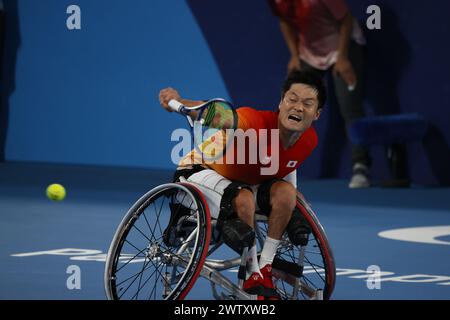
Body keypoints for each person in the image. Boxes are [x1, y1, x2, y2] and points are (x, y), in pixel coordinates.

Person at [159, 70, 325, 299]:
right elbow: (211, 113)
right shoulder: (251, 121)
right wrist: (177, 103)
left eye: (307, 103)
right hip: (200, 171)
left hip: (243, 183)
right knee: (244, 197)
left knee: (287, 194)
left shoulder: (309, 140)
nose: (298, 107)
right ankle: (251, 272)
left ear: (316, 114)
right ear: (281, 103)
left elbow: (287, 167)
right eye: (292, 99)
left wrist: (290, 204)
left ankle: (264, 267)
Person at [269, 0, 371, 188]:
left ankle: (361, 166)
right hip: (310, 54)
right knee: (290, 105)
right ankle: (277, 166)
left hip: (343, 47)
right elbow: (284, 21)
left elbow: (346, 20)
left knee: (350, 107)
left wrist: (342, 57)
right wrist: (294, 54)